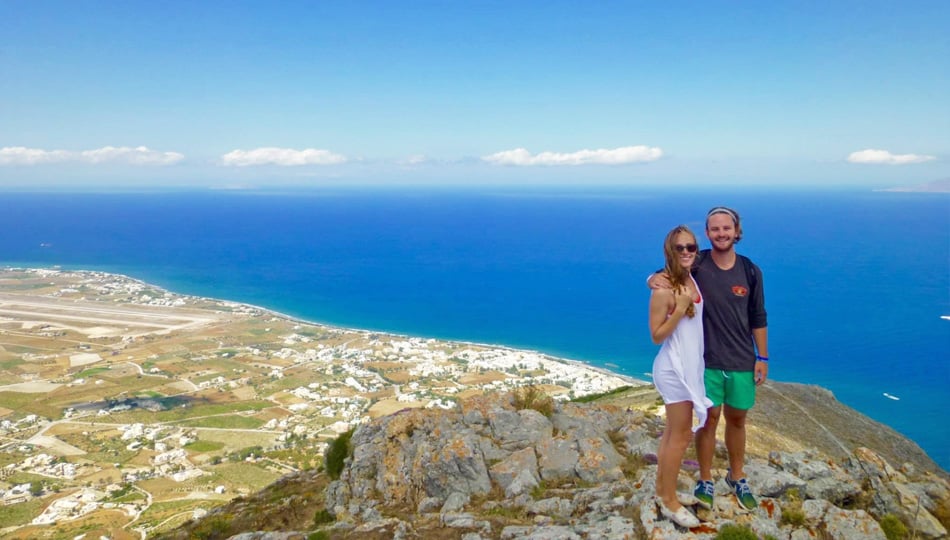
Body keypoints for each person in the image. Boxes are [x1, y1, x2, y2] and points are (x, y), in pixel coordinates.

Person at [649, 207, 768, 512]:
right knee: (709, 419)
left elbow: (758, 316)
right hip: (707, 362)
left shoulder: (750, 270)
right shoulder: (697, 261)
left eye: (726, 228)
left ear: (736, 230)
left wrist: (762, 356)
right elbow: (670, 271)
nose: (721, 233)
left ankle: (737, 476)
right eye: (714, 229)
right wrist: (652, 278)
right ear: (708, 233)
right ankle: (704, 479)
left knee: (738, 419)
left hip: (741, 359)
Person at [648, 225, 711, 528]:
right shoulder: (663, 290)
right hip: (674, 370)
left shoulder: (690, 278)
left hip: (688, 368)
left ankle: (663, 491)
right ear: (669, 251)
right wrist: (680, 308)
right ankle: (670, 502)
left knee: (672, 434)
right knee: (681, 436)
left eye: (691, 247)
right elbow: (656, 335)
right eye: (680, 248)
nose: (686, 252)